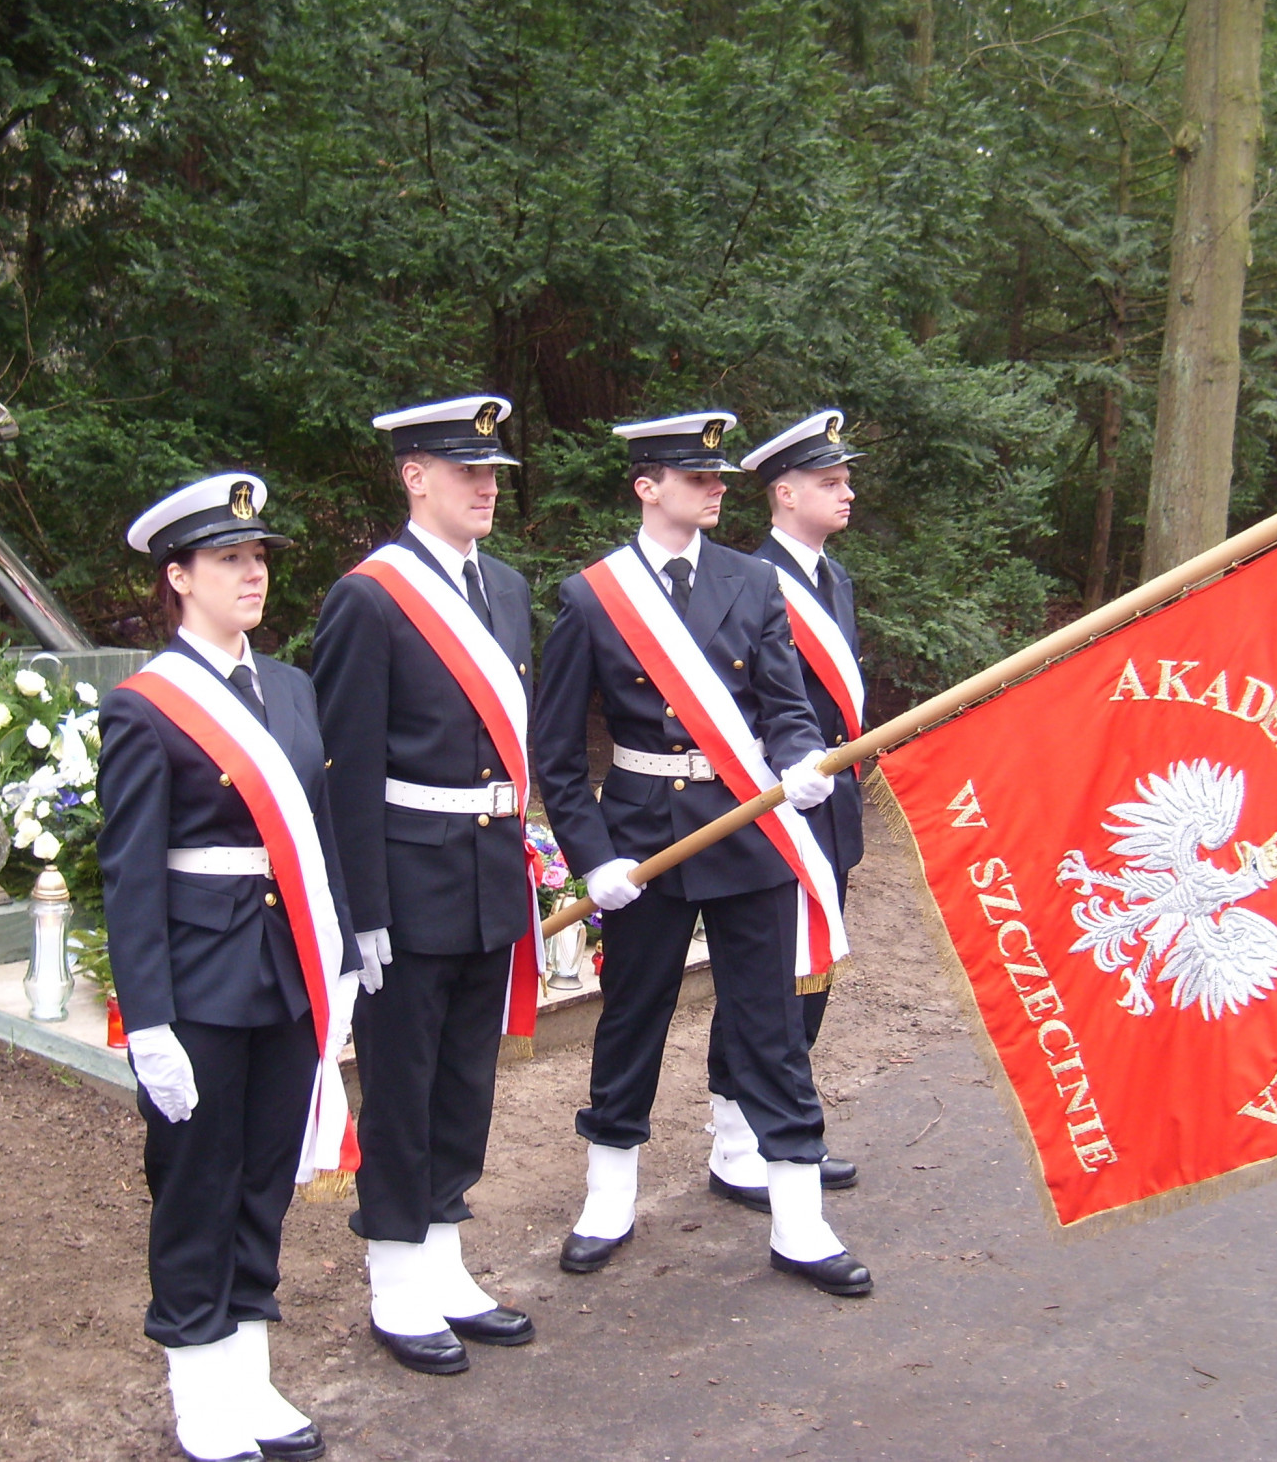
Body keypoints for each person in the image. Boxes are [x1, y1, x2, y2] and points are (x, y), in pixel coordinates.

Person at [530, 410, 873, 1298]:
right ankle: (608, 1198)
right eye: (697, 478)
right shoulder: (592, 596)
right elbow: (559, 755)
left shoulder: (752, 583)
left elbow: (783, 702)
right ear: (647, 487)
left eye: (720, 478)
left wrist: (799, 759)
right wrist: (590, 855)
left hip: (746, 829)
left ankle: (799, 1220)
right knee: (632, 1017)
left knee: (768, 1026)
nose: (716, 490)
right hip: (644, 837)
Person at [98, 474, 358, 1462]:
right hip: (202, 980)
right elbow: (128, 877)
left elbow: (318, 834)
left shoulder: (288, 687)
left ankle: (246, 1373)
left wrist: (335, 958)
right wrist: (149, 1019)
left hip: (286, 972)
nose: (251, 575)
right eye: (228, 561)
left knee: (263, 1177)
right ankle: (196, 1385)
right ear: (178, 577)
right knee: (197, 1182)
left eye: (257, 559)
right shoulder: (145, 706)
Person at [311, 395, 540, 1376]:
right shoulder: (368, 597)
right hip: (405, 882)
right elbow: (345, 768)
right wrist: (358, 911)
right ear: (413, 477)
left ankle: (445, 1261)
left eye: (492, 473)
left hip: (489, 871)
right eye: (465, 471)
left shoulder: (510, 590)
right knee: (400, 1088)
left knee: (464, 1082)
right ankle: (395, 1283)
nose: (485, 487)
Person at [705, 410, 868, 1210]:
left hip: (830, 811)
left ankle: (782, 1127)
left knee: (812, 978)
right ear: (783, 493)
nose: (846, 493)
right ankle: (738, 1139)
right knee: (762, 982)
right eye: (829, 482)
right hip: (774, 810)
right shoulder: (746, 581)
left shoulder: (834, 579)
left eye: (844, 479)